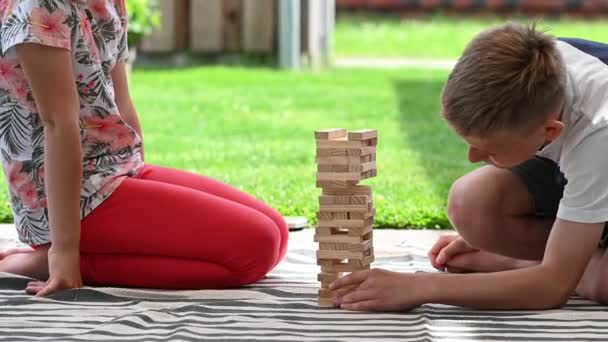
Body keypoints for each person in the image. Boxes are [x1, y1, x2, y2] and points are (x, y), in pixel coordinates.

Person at [0, 0, 288, 297]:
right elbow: (58, 124)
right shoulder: (36, 9)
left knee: (276, 233)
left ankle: (80, 253)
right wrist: (63, 253)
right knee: (254, 251)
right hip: (71, 199)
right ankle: (56, 261)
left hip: (116, 170)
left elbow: (122, 102)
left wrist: (146, 207)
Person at [330, 23, 608, 311]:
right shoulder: (532, 68)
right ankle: (557, 261)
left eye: (488, 148)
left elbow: (553, 290)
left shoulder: (599, 129)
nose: (471, 158)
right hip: (585, 168)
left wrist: (420, 286)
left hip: (599, 157)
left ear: (550, 131)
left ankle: (532, 265)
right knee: (472, 204)